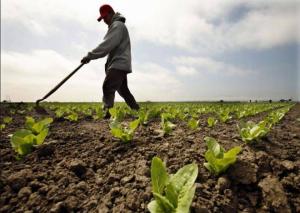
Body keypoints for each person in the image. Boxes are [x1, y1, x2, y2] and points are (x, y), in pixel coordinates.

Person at [81, 4, 139, 119]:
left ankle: (108, 114)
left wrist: (90, 55)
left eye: (105, 17)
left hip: (118, 63)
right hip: (120, 63)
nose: (104, 21)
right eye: (102, 19)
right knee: (124, 91)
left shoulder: (117, 25)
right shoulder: (117, 26)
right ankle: (137, 110)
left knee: (108, 87)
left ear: (111, 13)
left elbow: (107, 45)